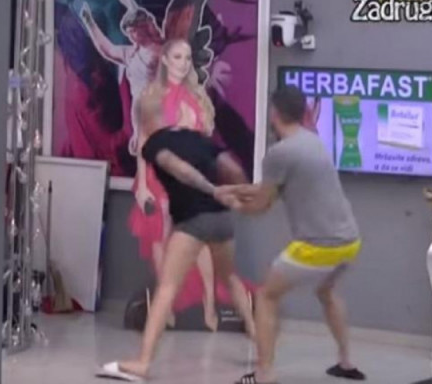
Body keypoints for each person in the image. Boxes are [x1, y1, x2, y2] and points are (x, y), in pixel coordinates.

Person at [98, 89, 255, 381]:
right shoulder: (197, 138)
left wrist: (210, 189)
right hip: (221, 219)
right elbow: (231, 167)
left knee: (167, 288)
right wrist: (242, 195)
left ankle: (143, 363)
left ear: (142, 119)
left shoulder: (154, 143)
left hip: (194, 222)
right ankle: (261, 345)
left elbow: (178, 168)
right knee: (230, 278)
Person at [218, 86, 366, 383]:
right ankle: (346, 362)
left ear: (274, 113)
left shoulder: (279, 153)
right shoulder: (314, 142)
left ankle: (264, 374)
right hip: (349, 242)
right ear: (303, 112)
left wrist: (231, 202)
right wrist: (234, 189)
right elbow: (269, 190)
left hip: (318, 246)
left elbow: (261, 206)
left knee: (266, 296)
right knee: (326, 292)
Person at [127, 38, 252, 330]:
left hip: (191, 176)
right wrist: (142, 184)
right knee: (160, 237)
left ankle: (209, 303)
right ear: (165, 60)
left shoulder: (196, 97)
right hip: (159, 175)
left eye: (187, 57)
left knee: (202, 238)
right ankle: (166, 306)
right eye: (177, 57)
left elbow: (202, 141)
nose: (183, 63)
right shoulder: (151, 96)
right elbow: (144, 142)